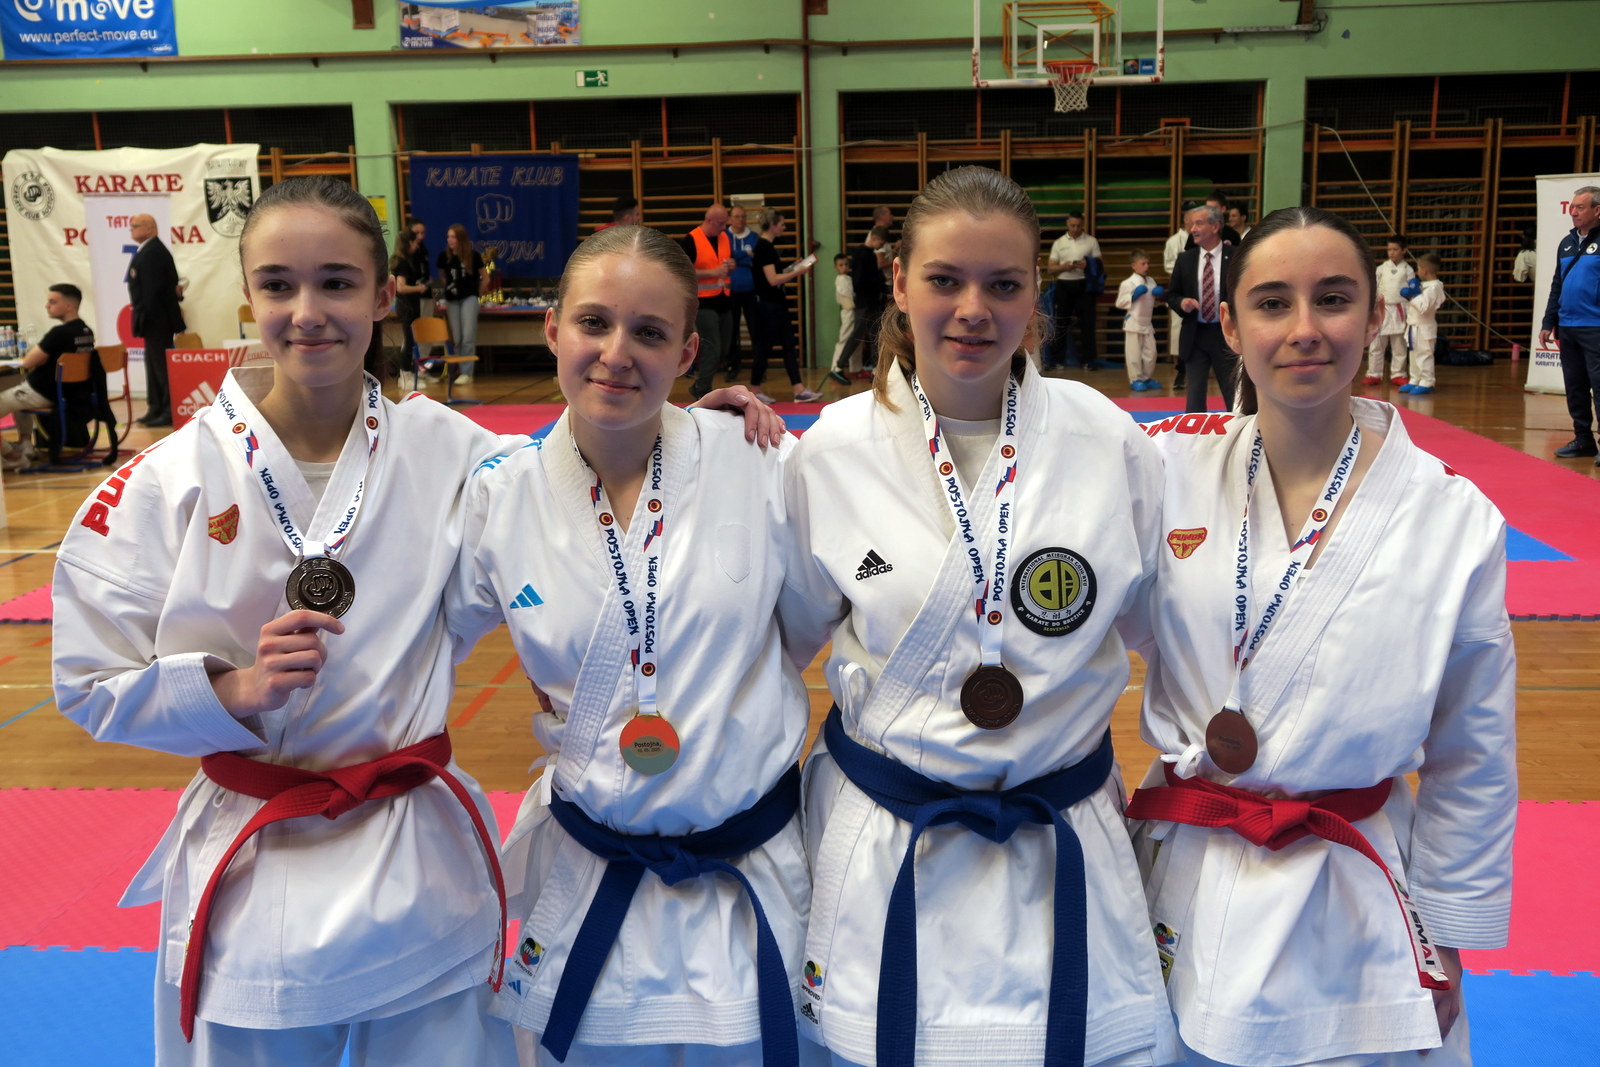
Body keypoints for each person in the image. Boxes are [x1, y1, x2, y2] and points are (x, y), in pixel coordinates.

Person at [53, 176, 520, 1066]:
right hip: (254, 862)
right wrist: (231, 689)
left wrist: (702, 436)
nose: (307, 312)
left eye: (337, 282)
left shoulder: (452, 450)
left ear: (383, 294)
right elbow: (85, 681)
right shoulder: (168, 478)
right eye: (278, 284)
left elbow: (582, 487)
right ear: (247, 294)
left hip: (414, 859)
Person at [780, 165, 1178, 1067]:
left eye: (1003, 284)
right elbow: (783, 643)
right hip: (889, 838)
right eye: (944, 280)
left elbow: (1167, 634)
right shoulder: (828, 452)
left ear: (1036, 289)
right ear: (898, 283)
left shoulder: (1106, 440)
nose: (973, 310)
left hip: (1058, 833)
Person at [1126, 205, 1516, 1067]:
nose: (1305, 328)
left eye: (1333, 299)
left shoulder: (1452, 517)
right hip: (1187, 863)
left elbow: (1473, 747)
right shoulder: (1165, 471)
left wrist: (1448, 931)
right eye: (1272, 303)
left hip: (1355, 881)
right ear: (1230, 326)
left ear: (1373, 318)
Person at [446, 224, 817, 1066]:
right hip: (589, 871)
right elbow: (419, 639)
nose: (617, 353)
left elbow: (804, 628)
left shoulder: (760, 463)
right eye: (593, 323)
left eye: (649, 332)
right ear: (553, 330)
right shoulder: (499, 493)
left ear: (687, 351)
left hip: (746, 871)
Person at [1, 282, 96, 470]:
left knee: (17, 392)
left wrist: (39, 357)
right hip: (71, 394)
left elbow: (28, 362)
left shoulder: (59, 333)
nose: (47, 306)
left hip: (42, 394)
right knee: (16, 393)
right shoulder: (86, 332)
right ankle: (26, 444)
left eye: (52, 302)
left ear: (69, 306)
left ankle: (13, 456)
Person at [1540, 185, 1600, 461]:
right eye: (1572, 207)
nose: (1573, 212)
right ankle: (1583, 440)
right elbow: (1558, 284)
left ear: (1597, 210)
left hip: (1595, 326)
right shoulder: (1566, 243)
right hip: (1568, 327)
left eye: (1580, 207)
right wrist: (1548, 321)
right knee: (1575, 386)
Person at [1166, 202, 1236, 413]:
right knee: (1194, 398)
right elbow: (1172, 295)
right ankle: (1194, 432)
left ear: (1215, 226)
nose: (1192, 229)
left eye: (1198, 224)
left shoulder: (1236, 257)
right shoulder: (1185, 259)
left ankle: (1242, 431)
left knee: (1234, 394)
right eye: (1191, 224)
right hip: (1194, 335)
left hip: (1226, 335)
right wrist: (1181, 303)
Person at [749, 209, 824, 404]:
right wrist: (797, 272)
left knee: (788, 345)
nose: (784, 227)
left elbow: (774, 275)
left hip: (776, 303)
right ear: (773, 225)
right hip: (768, 305)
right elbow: (773, 280)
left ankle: (798, 389)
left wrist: (791, 267)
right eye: (781, 224)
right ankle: (755, 389)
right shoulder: (764, 247)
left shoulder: (767, 246)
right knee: (765, 347)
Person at [127, 212, 184, 426]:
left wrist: (147, 317)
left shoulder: (153, 252)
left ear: (150, 228)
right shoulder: (149, 250)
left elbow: (153, 290)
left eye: (135, 226)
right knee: (153, 366)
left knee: (161, 367)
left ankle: (168, 411)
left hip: (156, 319)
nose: (131, 229)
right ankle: (156, 407)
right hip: (153, 319)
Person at [682, 203, 735, 399]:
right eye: (721, 223)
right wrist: (712, 272)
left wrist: (731, 265)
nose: (724, 227)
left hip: (724, 300)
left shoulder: (724, 238)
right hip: (703, 303)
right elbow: (684, 272)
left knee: (724, 348)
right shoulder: (690, 240)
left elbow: (724, 262)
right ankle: (702, 388)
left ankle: (699, 386)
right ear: (709, 220)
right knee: (713, 347)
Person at [826, 226, 888, 386]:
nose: (881, 245)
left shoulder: (867, 254)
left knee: (874, 335)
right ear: (875, 238)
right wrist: (879, 282)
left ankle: (876, 370)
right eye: (881, 242)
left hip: (870, 302)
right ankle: (838, 366)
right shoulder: (863, 255)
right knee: (857, 335)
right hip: (865, 302)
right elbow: (859, 280)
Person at [1045, 211, 1103, 369]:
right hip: (1064, 284)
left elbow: (1100, 264)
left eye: (1078, 226)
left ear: (1082, 224)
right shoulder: (1059, 243)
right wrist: (1065, 266)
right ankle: (1057, 360)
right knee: (1060, 324)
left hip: (1084, 285)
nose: (1075, 228)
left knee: (1087, 324)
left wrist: (1088, 264)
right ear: (1067, 224)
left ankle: (1089, 361)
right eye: (1072, 225)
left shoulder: (1091, 241)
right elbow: (1050, 268)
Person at [1363, 236, 1415, 388]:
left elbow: (1412, 292)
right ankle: (1374, 374)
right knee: (1376, 344)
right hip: (1382, 308)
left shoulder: (1408, 270)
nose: (1391, 252)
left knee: (1399, 345)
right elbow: (1374, 287)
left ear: (1403, 250)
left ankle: (1398, 374)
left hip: (1399, 309)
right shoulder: (1381, 269)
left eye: (1395, 249)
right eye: (1389, 249)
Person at [438, 222, 486, 385]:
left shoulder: (473, 256)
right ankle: (459, 369)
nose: (450, 240)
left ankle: (467, 372)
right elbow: (442, 274)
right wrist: (447, 286)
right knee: (457, 338)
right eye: (448, 237)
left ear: (461, 239)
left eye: (453, 237)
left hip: (468, 298)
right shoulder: (444, 256)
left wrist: (478, 292)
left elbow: (485, 277)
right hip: (452, 300)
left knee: (467, 336)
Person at [1399, 252, 1447, 395]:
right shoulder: (1424, 286)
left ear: (1425, 270)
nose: (1417, 271)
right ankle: (1415, 379)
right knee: (1414, 354)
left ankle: (1427, 381)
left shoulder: (1435, 287)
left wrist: (1413, 295)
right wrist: (1411, 295)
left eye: (1418, 268)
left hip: (1424, 327)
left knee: (1424, 354)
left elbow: (1424, 307)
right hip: (1414, 326)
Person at [1115, 250, 1163, 392]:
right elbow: (1119, 303)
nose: (1146, 266)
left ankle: (1147, 378)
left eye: (1148, 263)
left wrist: (1158, 297)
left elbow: (1154, 303)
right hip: (1133, 322)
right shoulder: (1127, 283)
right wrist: (1133, 296)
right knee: (1134, 354)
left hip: (1147, 323)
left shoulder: (1151, 281)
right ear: (1134, 265)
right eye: (1143, 263)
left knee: (1151, 353)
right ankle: (1135, 379)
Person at [391, 229, 430, 387]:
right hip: (406, 305)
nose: (416, 246)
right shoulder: (402, 262)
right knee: (408, 341)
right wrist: (419, 288)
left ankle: (410, 373)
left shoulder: (407, 260)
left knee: (411, 340)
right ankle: (404, 375)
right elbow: (400, 287)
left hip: (411, 304)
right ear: (409, 243)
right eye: (414, 243)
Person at [726, 204, 761, 383]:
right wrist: (745, 255)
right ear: (730, 218)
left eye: (743, 216)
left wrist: (735, 257)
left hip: (751, 291)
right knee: (731, 331)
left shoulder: (754, 237)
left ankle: (759, 368)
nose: (741, 220)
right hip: (730, 291)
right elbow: (725, 257)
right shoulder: (724, 236)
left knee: (755, 329)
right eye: (737, 216)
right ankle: (733, 365)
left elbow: (754, 257)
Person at [828, 252, 866, 378]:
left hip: (855, 310)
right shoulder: (840, 280)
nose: (844, 267)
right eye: (841, 265)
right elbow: (844, 298)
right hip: (848, 311)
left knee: (857, 340)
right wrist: (852, 305)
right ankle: (835, 368)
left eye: (846, 264)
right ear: (835, 267)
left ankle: (856, 368)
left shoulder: (849, 278)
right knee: (845, 339)